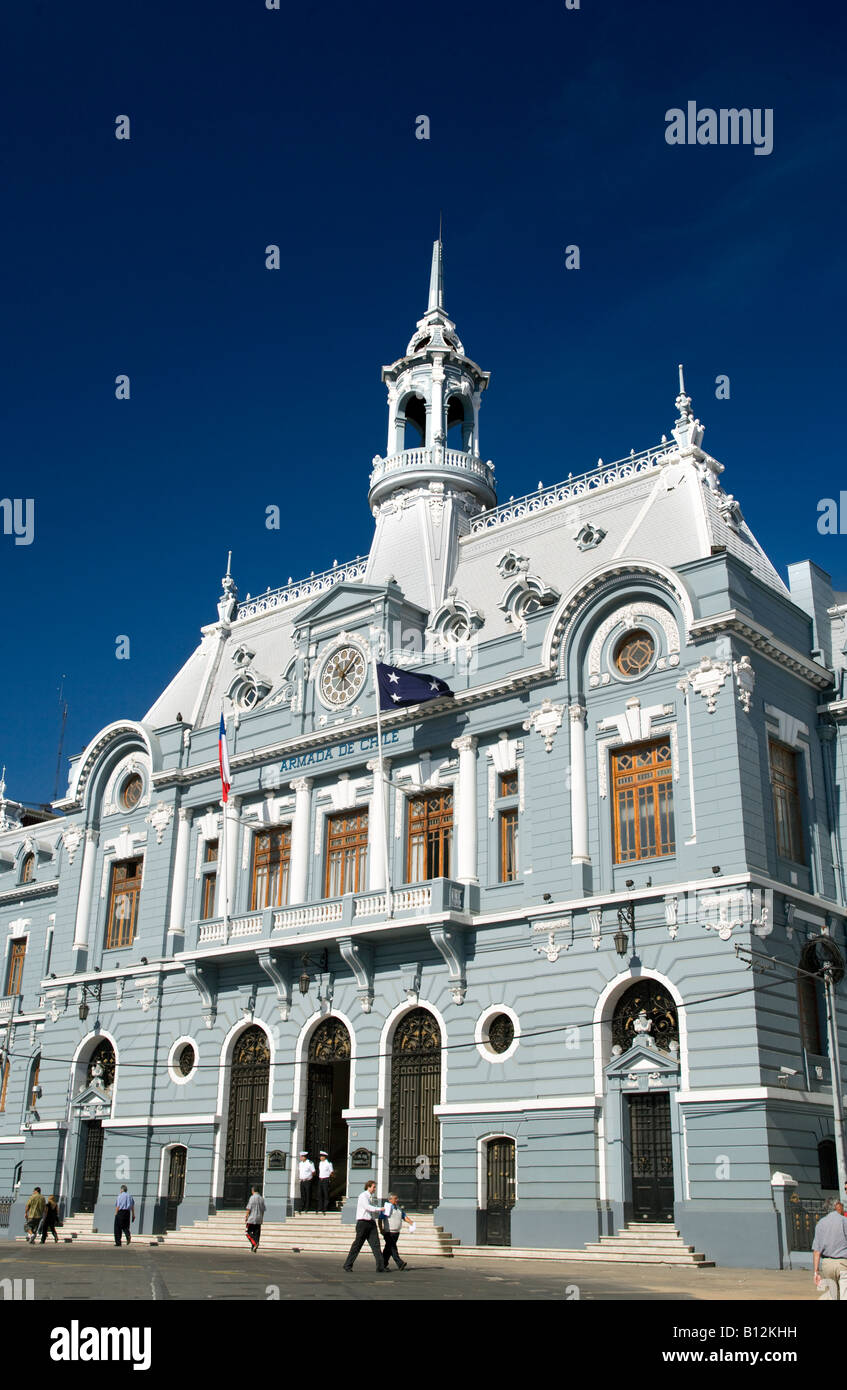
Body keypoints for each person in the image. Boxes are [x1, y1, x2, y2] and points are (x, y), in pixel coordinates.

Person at [343, 1181, 386, 1272]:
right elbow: (367, 1207)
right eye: (373, 1187)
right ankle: (348, 1265)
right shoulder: (363, 1196)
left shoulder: (371, 1197)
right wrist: (379, 1209)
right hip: (363, 1223)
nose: (375, 1189)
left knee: (376, 1245)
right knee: (357, 1245)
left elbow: (371, 1210)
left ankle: (380, 1267)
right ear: (368, 1187)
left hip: (371, 1223)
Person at [812, 1197, 847, 1299]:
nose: (842, 1206)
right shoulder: (844, 1221)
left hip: (827, 1265)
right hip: (843, 1264)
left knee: (834, 1294)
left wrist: (816, 1272)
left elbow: (816, 1251)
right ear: (836, 1206)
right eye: (840, 1204)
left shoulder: (820, 1224)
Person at [380, 1192, 414, 1270]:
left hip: (396, 1232)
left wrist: (411, 1222)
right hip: (389, 1232)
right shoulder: (387, 1207)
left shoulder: (398, 1208)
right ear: (390, 1199)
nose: (397, 1200)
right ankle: (400, 1263)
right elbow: (380, 1218)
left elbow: (404, 1216)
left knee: (388, 1248)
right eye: (395, 1198)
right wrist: (381, 1229)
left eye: (397, 1198)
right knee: (392, 1248)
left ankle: (382, 1264)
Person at [245, 1185, 266, 1252]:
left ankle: (255, 1243)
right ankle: (253, 1247)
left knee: (247, 1232)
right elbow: (263, 1210)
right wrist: (262, 1218)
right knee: (256, 1233)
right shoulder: (262, 1198)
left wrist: (246, 1216)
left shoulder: (252, 1198)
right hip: (259, 1218)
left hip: (252, 1218)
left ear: (253, 1191)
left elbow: (249, 1208)